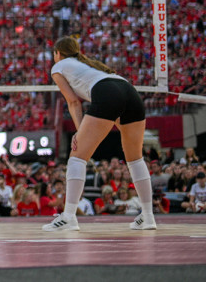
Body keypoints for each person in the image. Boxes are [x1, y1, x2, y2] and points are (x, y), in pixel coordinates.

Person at [42, 36, 157, 231]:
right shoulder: (89, 64)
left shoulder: (58, 66)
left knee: (77, 158)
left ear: (58, 54)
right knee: (136, 159)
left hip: (108, 93)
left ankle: (69, 217)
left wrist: (80, 132)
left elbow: (73, 102)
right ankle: (148, 217)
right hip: (130, 92)